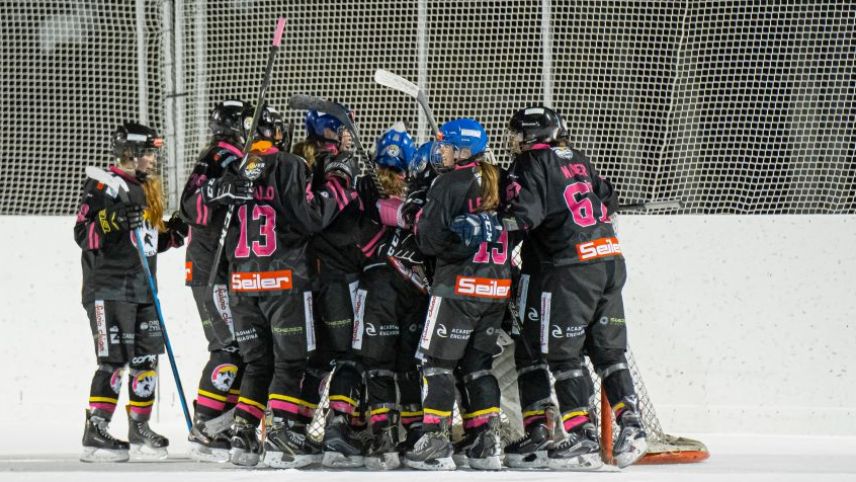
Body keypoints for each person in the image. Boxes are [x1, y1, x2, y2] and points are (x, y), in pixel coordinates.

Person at [502, 105, 647, 470]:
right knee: (607, 352)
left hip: (567, 270)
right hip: (609, 260)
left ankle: (581, 438)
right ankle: (631, 427)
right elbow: (608, 199)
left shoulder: (529, 163)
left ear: (532, 135)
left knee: (562, 354)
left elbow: (523, 218)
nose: (513, 140)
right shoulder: (578, 158)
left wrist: (488, 225)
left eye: (517, 133)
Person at [223, 104, 359, 468]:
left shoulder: (234, 169)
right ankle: (281, 436)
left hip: (241, 283)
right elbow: (310, 218)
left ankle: (243, 433)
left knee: (257, 364)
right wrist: (339, 185)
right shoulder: (290, 165)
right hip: (282, 282)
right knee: (290, 362)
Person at [74, 122, 187, 462]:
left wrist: (172, 233)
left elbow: (146, 243)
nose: (154, 158)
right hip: (109, 288)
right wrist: (113, 218)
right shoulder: (103, 185)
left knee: (146, 360)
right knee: (114, 360)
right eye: (149, 152)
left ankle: (139, 427)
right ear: (132, 153)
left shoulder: (147, 187)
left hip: (142, 289)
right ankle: (96, 430)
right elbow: (84, 234)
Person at [405, 118, 510, 471]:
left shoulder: (448, 183)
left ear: (463, 150)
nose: (442, 152)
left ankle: (435, 440)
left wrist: (418, 209)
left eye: (447, 147)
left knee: (436, 363)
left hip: (458, 290)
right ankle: (486, 442)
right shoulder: (500, 179)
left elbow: (428, 241)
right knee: (478, 366)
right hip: (496, 288)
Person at [180, 99, 255, 462]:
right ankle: (205, 427)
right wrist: (221, 190)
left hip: (223, 269)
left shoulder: (234, 158)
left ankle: (220, 422)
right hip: (210, 271)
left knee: (241, 347)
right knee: (228, 347)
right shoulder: (220, 157)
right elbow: (188, 204)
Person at [349, 123, 427, 470]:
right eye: (386, 168)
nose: (391, 175)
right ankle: (385, 433)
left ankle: (409, 432)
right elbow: (365, 230)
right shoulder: (365, 189)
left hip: (406, 289)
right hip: (382, 286)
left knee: (402, 365)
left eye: (397, 170)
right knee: (380, 363)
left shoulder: (419, 192)